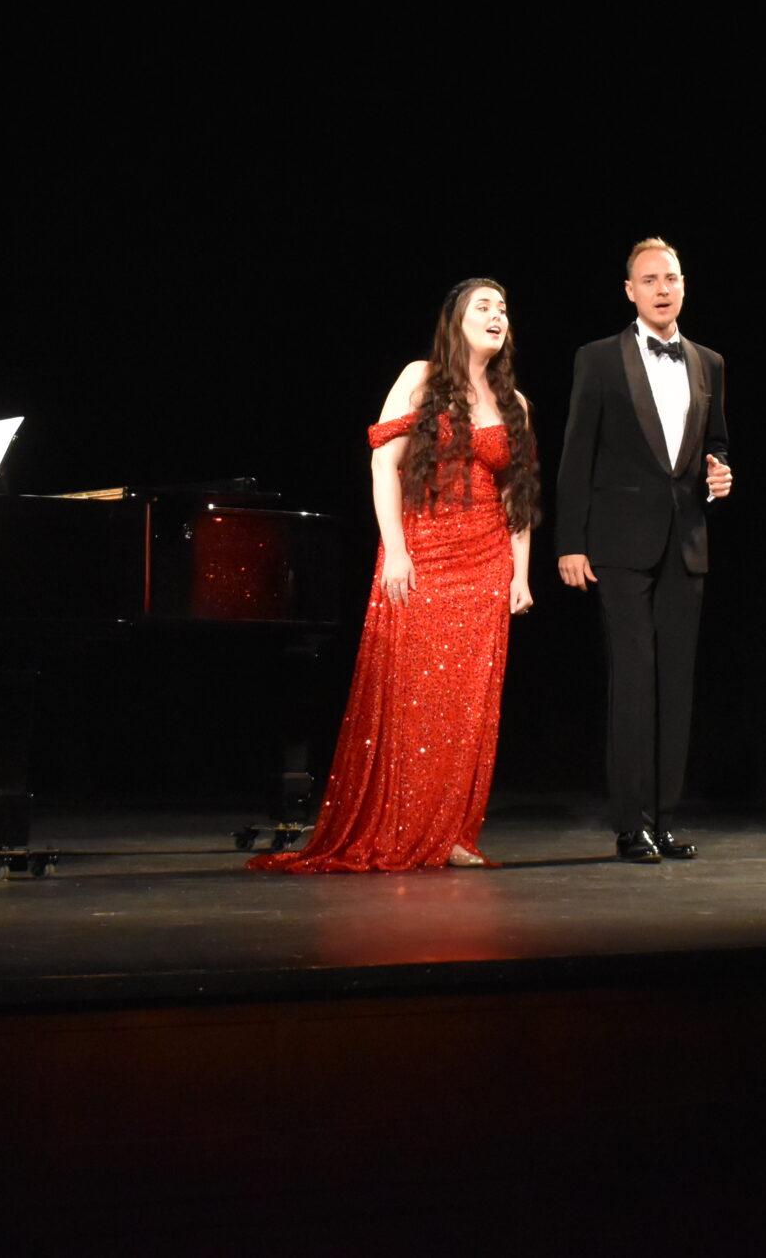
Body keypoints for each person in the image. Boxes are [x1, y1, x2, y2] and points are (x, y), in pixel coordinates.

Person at [252, 279, 540, 873]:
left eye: (503, 308)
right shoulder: (420, 376)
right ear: (455, 319)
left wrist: (521, 574)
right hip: (424, 552)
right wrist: (398, 551)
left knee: (468, 706)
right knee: (415, 697)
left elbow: (517, 495)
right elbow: (384, 465)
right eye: (484, 307)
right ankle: (402, 826)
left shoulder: (514, 402)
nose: (497, 316)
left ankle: (453, 831)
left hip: (486, 561)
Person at [555, 238, 733, 864]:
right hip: (619, 543)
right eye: (650, 280)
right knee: (633, 679)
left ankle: (665, 820)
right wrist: (570, 542)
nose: (663, 289)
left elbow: (715, 445)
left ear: (684, 286)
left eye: (672, 278)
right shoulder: (599, 358)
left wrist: (719, 475)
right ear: (629, 291)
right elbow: (577, 453)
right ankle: (632, 824)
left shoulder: (708, 362)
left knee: (675, 685)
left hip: (686, 542)